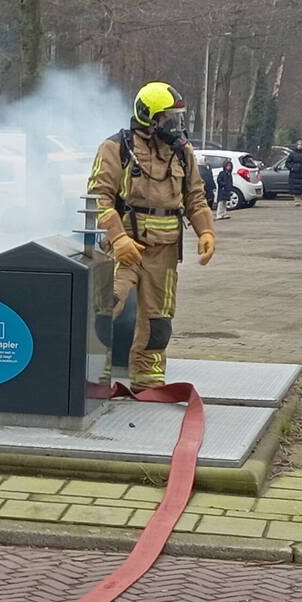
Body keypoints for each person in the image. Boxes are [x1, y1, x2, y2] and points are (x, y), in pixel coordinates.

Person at [88, 81, 216, 392]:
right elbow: (98, 199)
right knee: (106, 306)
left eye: (178, 119)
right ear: (148, 117)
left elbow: (195, 198)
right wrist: (118, 239)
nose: (176, 126)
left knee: (158, 319)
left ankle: (148, 380)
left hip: (166, 251)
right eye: (169, 119)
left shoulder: (182, 152)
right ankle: (92, 375)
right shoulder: (116, 148)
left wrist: (206, 230)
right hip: (125, 246)